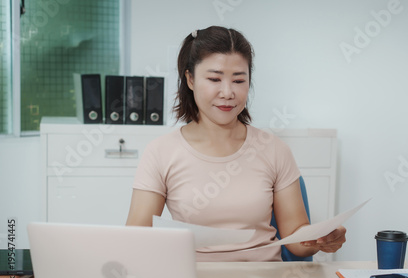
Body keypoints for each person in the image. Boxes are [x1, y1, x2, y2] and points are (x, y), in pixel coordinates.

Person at [126, 26, 346, 261]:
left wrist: (322, 240)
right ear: (190, 79)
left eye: (239, 80)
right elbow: (137, 237)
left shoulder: (274, 149)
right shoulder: (161, 152)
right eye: (214, 79)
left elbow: (297, 241)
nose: (228, 92)